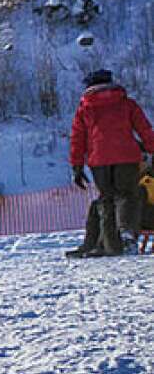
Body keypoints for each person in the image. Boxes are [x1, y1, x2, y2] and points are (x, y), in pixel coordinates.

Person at [69, 69, 154, 257]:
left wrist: (77, 165)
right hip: (127, 156)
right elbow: (144, 128)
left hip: (98, 159)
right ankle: (127, 233)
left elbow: (77, 138)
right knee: (126, 195)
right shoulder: (127, 104)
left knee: (106, 199)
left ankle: (111, 246)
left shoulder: (85, 108)